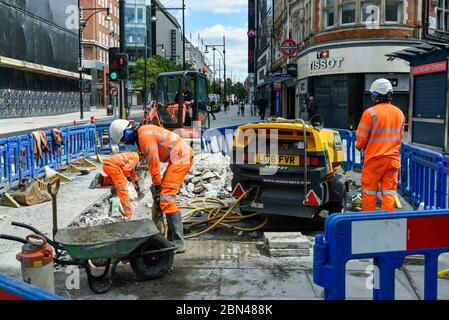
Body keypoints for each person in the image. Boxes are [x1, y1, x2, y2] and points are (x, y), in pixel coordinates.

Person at [109, 120, 194, 253]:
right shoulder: (142, 135)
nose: (126, 143)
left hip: (181, 157)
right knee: (165, 198)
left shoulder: (144, 135)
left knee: (166, 198)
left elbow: (153, 162)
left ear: (126, 133)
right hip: (178, 157)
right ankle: (170, 237)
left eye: (124, 140)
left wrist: (157, 185)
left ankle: (178, 241)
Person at [355, 78, 406, 212]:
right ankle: (386, 222)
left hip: (374, 160)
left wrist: (360, 146)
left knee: (369, 193)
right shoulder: (400, 113)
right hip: (393, 160)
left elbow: (360, 140)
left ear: (375, 95)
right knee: (389, 193)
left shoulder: (370, 113)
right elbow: (400, 138)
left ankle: (368, 222)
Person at [102, 151, 141, 218]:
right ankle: (129, 213)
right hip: (113, 167)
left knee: (116, 178)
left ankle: (102, 180)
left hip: (106, 165)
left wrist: (135, 181)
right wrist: (129, 177)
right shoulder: (136, 158)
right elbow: (126, 170)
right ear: (142, 156)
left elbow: (131, 170)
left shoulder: (132, 154)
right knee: (122, 188)